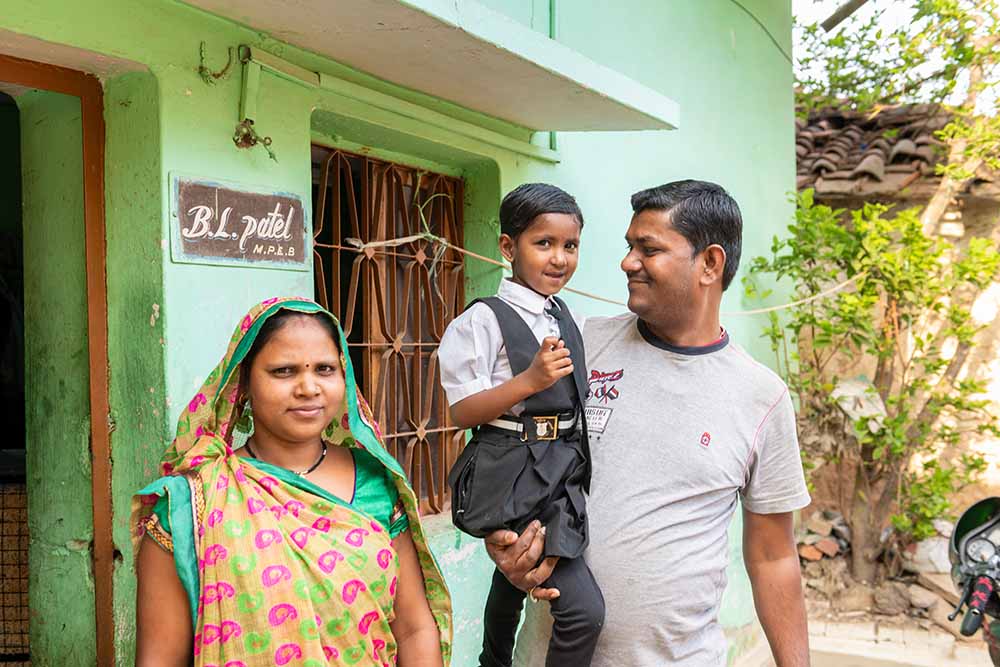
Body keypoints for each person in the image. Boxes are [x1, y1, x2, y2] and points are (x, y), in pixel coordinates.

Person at [487, 181, 812, 667]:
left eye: (649, 249)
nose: (627, 262)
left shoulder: (759, 397)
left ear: (710, 264)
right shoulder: (572, 347)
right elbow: (505, 447)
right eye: (629, 246)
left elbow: (773, 557)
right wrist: (504, 540)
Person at [132, 297, 452, 667]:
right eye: (283, 371)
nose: (308, 387)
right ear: (245, 383)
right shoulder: (192, 504)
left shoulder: (376, 482)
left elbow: (414, 629)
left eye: (325, 369)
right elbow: (160, 659)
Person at [440, 183, 604, 667]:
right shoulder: (484, 321)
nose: (559, 259)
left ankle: (492, 661)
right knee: (583, 612)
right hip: (511, 471)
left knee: (511, 578)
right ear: (509, 247)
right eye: (544, 243)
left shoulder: (562, 313)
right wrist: (530, 380)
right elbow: (462, 412)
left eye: (569, 246)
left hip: (558, 470)